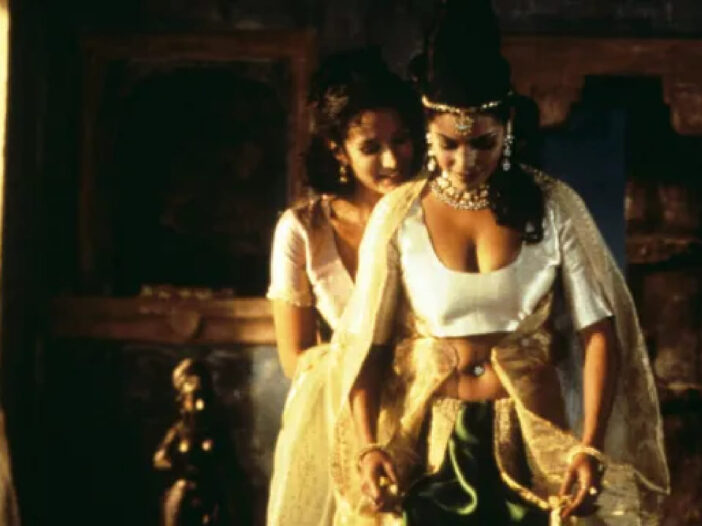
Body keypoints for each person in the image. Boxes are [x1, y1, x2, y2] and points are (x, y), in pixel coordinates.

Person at [326, 1, 670, 525]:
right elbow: (366, 344)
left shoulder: (554, 207)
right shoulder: (398, 215)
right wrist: (369, 444)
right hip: (429, 446)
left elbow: (599, 333)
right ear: (428, 131)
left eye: (483, 143)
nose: (465, 162)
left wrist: (589, 446)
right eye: (449, 144)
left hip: (533, 444)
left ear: (507, 129)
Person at [265, 49, 425, 526]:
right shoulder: (302, 229)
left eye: (401, 141)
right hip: (336, 413)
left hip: (426, 403)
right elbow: (296, 357)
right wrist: (361, 374)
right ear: (338, 150)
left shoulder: (430, 215)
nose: (392, 160)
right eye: (371, 148)